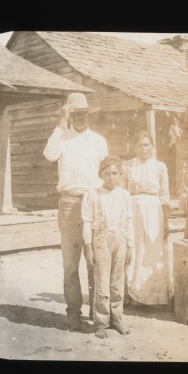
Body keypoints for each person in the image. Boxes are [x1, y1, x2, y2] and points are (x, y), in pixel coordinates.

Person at [43, 92, 108, 331]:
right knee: (71, 264)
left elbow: (105, 173)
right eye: (75, 114)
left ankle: (97, 313)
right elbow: (49, 155)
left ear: (89, 115)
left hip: (93, 203)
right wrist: (61, 123)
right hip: (69, 204)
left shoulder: (99, 141)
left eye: (83, 114)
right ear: (70, 115)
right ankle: (73, 314)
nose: (79, 118)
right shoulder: (62, 138)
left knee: (96, 261)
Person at [82, 156, 133, 339]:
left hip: (119, 237)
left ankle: (117, 319)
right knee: (102, 282)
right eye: (107, 173)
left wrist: (130, 245)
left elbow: (128, 221)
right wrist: (89, 246)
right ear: (101, 175)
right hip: (101, 238)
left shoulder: (125, 195)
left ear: (120, 174)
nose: (111, 177)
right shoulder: (93, 195)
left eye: (114, 173)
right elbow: (87, 222)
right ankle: (101, 322)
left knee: (117, 282)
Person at [123, 131, 172, 306]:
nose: (143, 148)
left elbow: (165, 196)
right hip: (133, 208)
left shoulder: (160, 166)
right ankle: (134, 293)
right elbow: (122, 192)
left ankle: (155, 296)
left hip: (154, 209)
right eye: (140, 145)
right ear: (134, 147)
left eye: (147, 145)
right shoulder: (127, 166)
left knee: (153, 249)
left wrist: (166, 220)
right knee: (136, 248)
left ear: (152, 147)